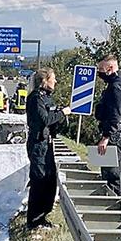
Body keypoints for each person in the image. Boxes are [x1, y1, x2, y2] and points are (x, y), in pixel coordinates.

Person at [26, 68, 72, 230]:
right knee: (39, 180)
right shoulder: (35, 98)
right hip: (38, 144)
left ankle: (43, 216)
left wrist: (60, 116)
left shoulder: (47, 98)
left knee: (50, 181)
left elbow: (52, 120)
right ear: (45, 80)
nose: (56, 82)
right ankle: (34, 220)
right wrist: (62, 113)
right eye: (54, 78)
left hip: (47, 143)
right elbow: (44, 119)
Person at [94, 54, 121, 193]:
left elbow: (116, 115)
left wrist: (106, 137)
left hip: (114, 136)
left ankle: (114, 211)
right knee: (111, 175)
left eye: (101, 68)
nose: (99, 72)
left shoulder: (116, 87)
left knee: (111, 178)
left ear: (110, 68)